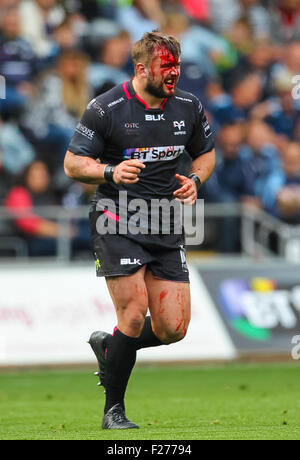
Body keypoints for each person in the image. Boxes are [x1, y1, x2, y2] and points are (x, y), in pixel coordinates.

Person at [64, 30, 215, 430]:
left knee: (173, 328)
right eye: (167, 66)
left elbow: (206, 153)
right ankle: (114, 411)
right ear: (141, 68)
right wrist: (110, 170)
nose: (174, 74)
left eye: (177, 66)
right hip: (117, 216)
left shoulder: (187, 106)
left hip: (166, 221)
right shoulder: (107, 107)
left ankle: (111, 347)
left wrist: (195, 181)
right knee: (133, 312)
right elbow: (73, 163)